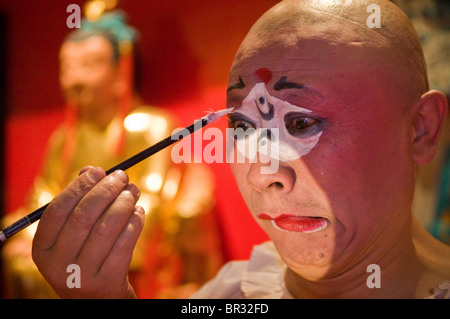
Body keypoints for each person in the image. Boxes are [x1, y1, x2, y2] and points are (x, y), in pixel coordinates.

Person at [31, 0, 450, 299]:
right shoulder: (235, 291)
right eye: (244, 127)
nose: (259, 173)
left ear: (421, 129)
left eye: (302, 123)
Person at [3, 7, 222, 298]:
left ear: (121, 73)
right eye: (67, 68)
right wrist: (32, 234)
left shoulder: (149, 125)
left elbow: (153, 195)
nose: (75, 79)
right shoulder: (64, 138)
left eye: (89, 65)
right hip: (73, 236)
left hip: (123, 235)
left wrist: (104, 234)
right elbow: (45, 195)